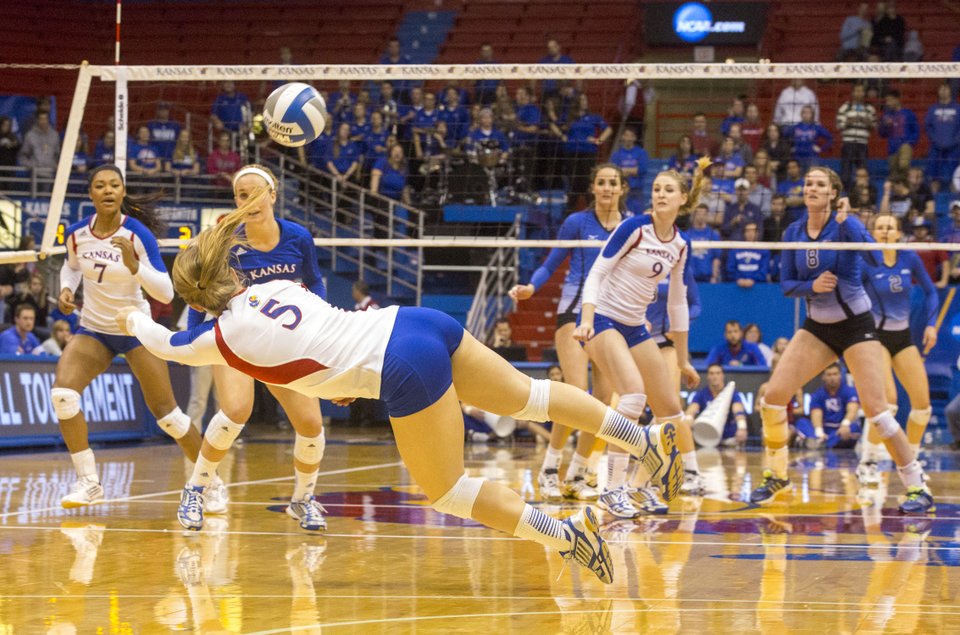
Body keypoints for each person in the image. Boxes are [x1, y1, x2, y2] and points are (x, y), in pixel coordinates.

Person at [120, 187, 691, 586]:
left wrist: (131, 316)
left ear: (197, 300)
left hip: (398, 364)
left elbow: (162, 344)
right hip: (412, 322)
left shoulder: (220, 338)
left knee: (446, 491)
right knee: (531, 397)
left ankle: (567, 536)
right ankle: (642, 440)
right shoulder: (280, 288)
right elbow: (318, 346)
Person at [748, 166, 934, 515]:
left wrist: (853, 224)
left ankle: (916, 485)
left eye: (820, 184)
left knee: (877, 411)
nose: (812, 188)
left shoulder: (845, 225)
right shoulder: (792, 231)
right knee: (772, 398)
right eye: (808, 184)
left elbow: (877, 259)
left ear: (833, 193)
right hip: (817, 327)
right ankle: (777, 474)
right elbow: (787, 284)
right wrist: (811, 287)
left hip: (855, 326)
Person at [181, 164, 329, 531]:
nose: (250, 201)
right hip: (237, 336)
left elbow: (316, 282)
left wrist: (322, 323)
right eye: (242, 196)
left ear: (273, 195)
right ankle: (196, 490)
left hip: (283, 342)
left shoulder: (298, 238)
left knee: (311, 424)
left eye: (257, 193)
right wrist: (189, 339)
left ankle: (303, 500)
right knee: (234, 411)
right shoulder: (224, 240)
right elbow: (197, 294)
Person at [53, 164, 203, 507]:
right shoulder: (76, 234)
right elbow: (71, 266)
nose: (107, 190)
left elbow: (165, 293)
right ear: (91, 194)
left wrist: (135, 267)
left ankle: (207, 481)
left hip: (135, 329)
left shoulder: (137, 235)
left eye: (114, 185)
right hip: (93, 329)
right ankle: (89, 482)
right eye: (100, 185)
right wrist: (66, 288)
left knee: (168, 416)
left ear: (122, 192)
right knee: (63, 395)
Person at [573, 158, 705, 519]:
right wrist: (585, 320)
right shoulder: (634, 227)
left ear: (682, 200)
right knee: (632, 394)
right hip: (601, 318)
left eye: (668, 190)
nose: (660, 194)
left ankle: (639, 486)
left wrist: (682, 359)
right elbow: (597, 272)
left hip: (635, 326)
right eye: (657, 188)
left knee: (671, 413)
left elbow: (678, 303)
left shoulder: (680, 244)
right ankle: (611, 489)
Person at [509, 164, 626, 503]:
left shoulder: (630, 226)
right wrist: (532, 286)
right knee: (577, 393)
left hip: (610, 316)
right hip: (573, 312)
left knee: (604, 401)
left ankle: (578, 472)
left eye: (612, 183)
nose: (606, 188)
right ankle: (549, 468)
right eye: (601, 182)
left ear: (621, 188)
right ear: (593, 188)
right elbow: (551, 261)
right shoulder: (577, 222)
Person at [857, 212, 939, 482]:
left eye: (889, 227)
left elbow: (931, 292)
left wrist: (930, 324)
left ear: (898, 233)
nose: (883, 231)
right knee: (887, 402)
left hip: (902, 337)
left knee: (922, 405)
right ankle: (868, 461)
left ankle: (911, 461)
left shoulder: (909, 258)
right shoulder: (866, 262)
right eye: (879, 227)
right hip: (875, 336)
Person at [645, 275, 706, 494]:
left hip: (667, 344)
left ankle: (692, 471)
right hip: (637, 343)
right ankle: (641, 474)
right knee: (626, 406)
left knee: (670, 407)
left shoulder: (678, 265)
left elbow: (696, 305)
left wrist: (682, 322)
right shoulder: (635, 258)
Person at [796, 363, 862, 450]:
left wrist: (845, 424)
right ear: (823, 377)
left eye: (835, 374)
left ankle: (819, 443)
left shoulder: (849, 391)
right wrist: (819, 432)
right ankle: (821, 441)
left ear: (840, 375)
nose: (832, 378)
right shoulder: (818, 394)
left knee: (853, 427)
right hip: (825, 429)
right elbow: (816, 414)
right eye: (829, 375)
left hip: (841, 427)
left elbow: (852, 410)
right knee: (801, 422)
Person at [685, 364, 749, 448]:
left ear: (722, 375)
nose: (715, 376)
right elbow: (691, 410)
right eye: (711, 373)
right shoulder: (701, 394)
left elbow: (738, 411)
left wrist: (742, 428)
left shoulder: (731, 393)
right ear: (707, 376)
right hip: (707, 440)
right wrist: (689, 420)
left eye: (718, 373)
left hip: (728, 440)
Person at [836, 83, 876, 189]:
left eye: (861, 91)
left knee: (862, 172)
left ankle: (861, 194)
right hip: (848, 143)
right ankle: (846, 194)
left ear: (864, 93)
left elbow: (874, 126)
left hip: (862, 144)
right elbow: (839, 125)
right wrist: (849, 121)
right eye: (857, 91)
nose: (859, 93)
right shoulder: (845, 107)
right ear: (853, 93)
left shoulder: (870, 109)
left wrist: (866, 121)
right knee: (846, 174)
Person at [924, 83, 960, 192]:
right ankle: (934, 185)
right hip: (936, 145)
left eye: (946, 89)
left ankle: (955, 186)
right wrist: (934, 139)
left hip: (954, 145)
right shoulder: (933, 108)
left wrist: (956, 140)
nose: (943, 91)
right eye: (941, 89)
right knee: (933, 165)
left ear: (950, 91)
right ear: (938, 92)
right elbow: (927, 126)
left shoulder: (957, 108)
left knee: (954, 167)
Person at [609, 127, 648, 214]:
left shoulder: (641, 153)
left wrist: (623, 170)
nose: (629, 138)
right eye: (626, 135)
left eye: (631, 136)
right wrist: (633, 170)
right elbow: (614, 171)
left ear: (635, 138)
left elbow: (641, 169)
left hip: (637, 190)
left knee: (638, 215)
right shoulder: (616, 154)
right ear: (622, 137)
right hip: (621, 190)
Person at [725, 221, 770, 287]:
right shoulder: (735, 250)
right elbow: (730, 269)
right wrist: (739, 279)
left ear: (757, 233)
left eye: (753, 231)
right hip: (736, 287)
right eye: (748, 231)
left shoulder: (764, 250)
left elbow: (764, 270)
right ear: (744, 233)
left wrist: (752, 280)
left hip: (759, 287)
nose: (751, 233)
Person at [878, 90, 919, 161]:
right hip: (892, 149)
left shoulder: (908, 113)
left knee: (903, 165)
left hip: (905, 145)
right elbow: (882, 134)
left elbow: (916, 130)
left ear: (897, 100)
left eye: (890, 100)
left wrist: (910, 143)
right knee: (895, 171)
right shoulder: (886, 115)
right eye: (886, 101)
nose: (887, 103)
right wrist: (885, 125)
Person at [686, 204, 721, 283]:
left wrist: (714, 276)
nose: (701, 216)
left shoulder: (713, 234)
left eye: (704, 214)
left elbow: (716, 257)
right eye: (699, 213)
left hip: (707, 277)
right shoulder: (687, 234)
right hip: (690, 277)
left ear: (707, 215)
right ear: (694, 215)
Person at [789, 105, 832, 169]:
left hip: (812, 158)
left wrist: (821, 149)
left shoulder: (817, 127)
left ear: (812, 115)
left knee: (812, 178)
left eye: (809, 112)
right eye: (804, 112)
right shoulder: (795, 127)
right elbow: (783, 137)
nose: (806, 114)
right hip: (797, 158)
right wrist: (790, 148)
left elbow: (830, 139)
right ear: (801, 114)